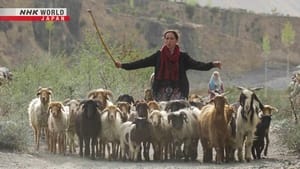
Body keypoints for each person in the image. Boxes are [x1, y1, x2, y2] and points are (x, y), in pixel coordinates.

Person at [115, 29, 222, 101]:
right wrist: (123, 66)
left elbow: (198, 65)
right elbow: (141, 63)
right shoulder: (158, 56)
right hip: (160, 90)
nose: (169, 41)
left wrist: (212, 64)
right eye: (167, 38)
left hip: (178, 90)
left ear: (176, 40)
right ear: (164, 40)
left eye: (171, 38)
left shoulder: (183, 57)